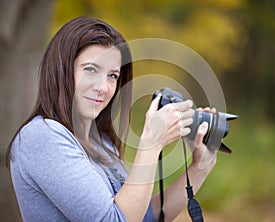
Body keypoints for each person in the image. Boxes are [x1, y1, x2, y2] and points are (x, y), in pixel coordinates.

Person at [6, 16, 217, 222]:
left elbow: (142, 217)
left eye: (112, 76)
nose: (103, 87)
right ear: (60, 69)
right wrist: (151, 145)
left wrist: (200, 167)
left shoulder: (101, 142)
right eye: (91, 69)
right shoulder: (43, 136)